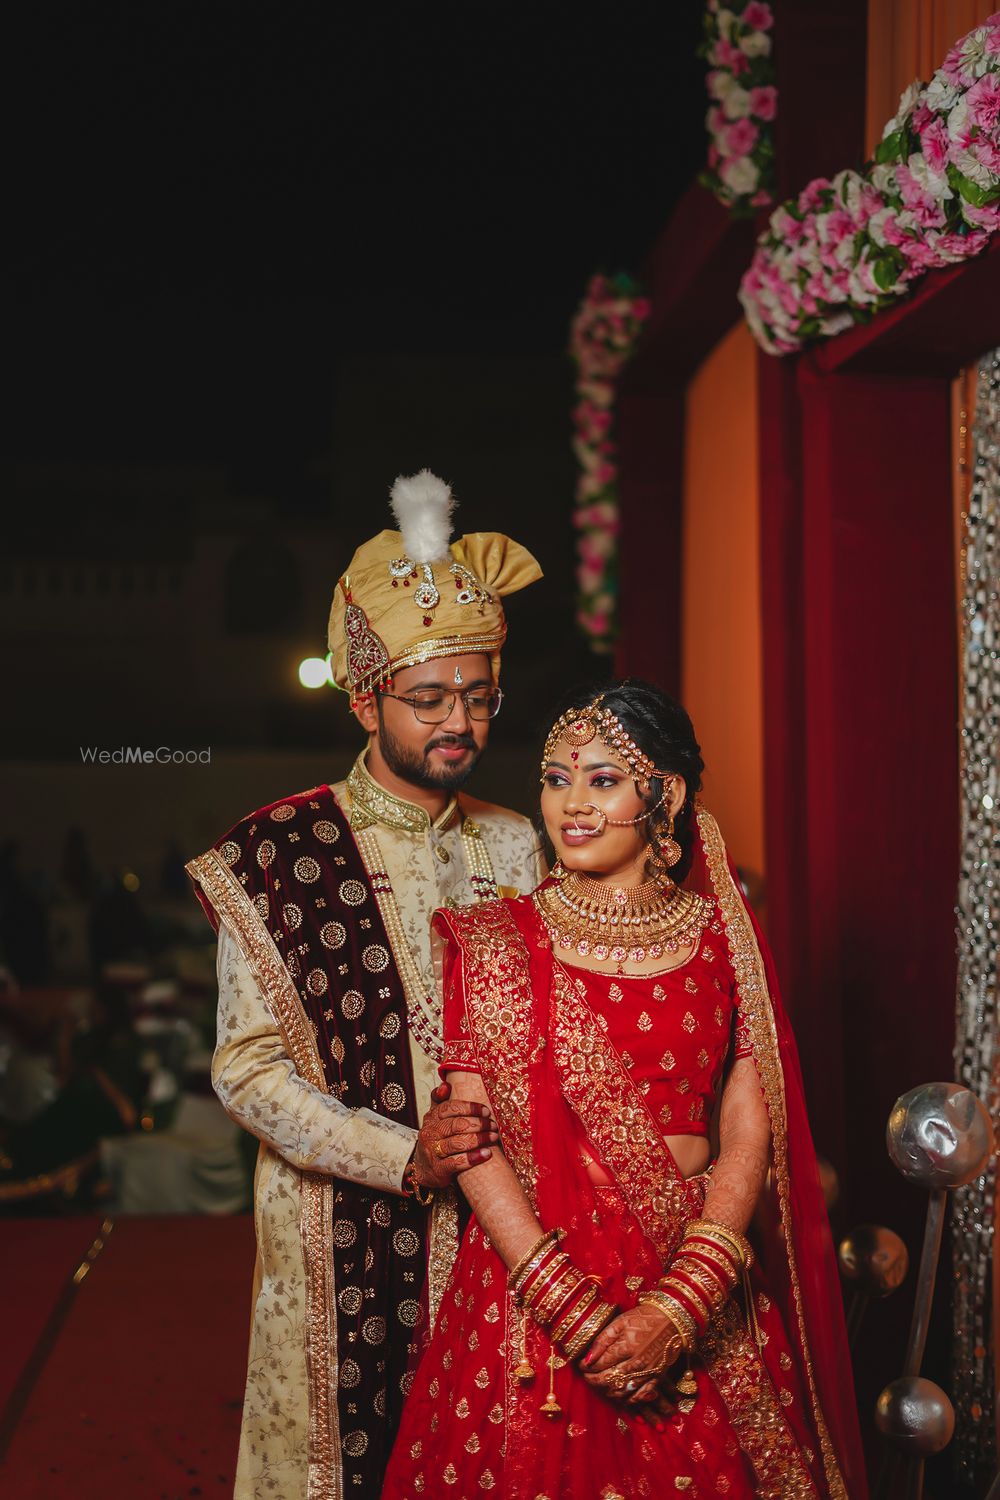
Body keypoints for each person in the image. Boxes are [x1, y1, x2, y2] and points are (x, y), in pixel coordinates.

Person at [383, 679, 868, 1500]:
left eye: (603, 780)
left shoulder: (723, 942)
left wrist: (683, 1304)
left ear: (665, 795)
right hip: (533, 1291)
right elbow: (471, 1137)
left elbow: (751, 1128)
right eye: (555, 777)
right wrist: (574, 1313)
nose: (570, 803)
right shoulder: (494, 943)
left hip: (693, 1269)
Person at [186, 471, 547, 1500]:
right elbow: (249, 1074)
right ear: (361, 697)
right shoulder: (279, 853)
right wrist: (405, 1157)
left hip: (501, 1240)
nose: (459, 723)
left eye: (479, 698)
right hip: (337, 1240)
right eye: (428, 699)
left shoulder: (517, 844)